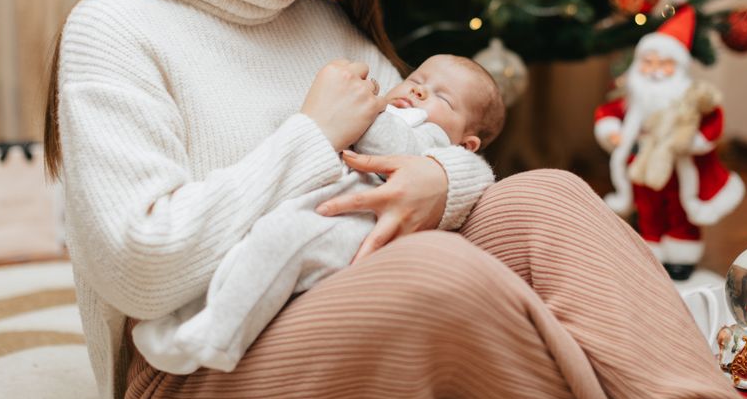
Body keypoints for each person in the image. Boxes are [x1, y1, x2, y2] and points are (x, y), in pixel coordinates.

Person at [44, 0, 739, 399]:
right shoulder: (118, 26)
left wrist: (440, 179)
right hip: (195, 356)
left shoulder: (319, 21)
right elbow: (141, 267)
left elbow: (437, 145)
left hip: (333, 292)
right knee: (439, 275)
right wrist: (311, 139)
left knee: (549, 196)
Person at [131, 54, 507, 375]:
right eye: (417, 80)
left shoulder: (433, 139)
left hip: (354, 226)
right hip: (321, 211)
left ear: (467, 144)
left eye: (443, 97)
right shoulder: (398, 110)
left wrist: (362, 106)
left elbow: (387, 143)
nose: (420, 92)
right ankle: (188, 322)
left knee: (281, 242)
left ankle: (219, 340)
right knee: (251, 252)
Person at [594, 6, 745, 280]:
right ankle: (650, 248)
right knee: (647, 208)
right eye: (648, 63)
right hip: (640, 163)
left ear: (678, 68)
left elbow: (712, 121)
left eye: (664, 64)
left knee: (678, 209)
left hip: (677, 166)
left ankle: (681, 254)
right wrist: (612, 131)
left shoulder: (688, 98)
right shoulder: (632, 98)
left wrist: (690, 141)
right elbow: (608, 113)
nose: (655, 71)